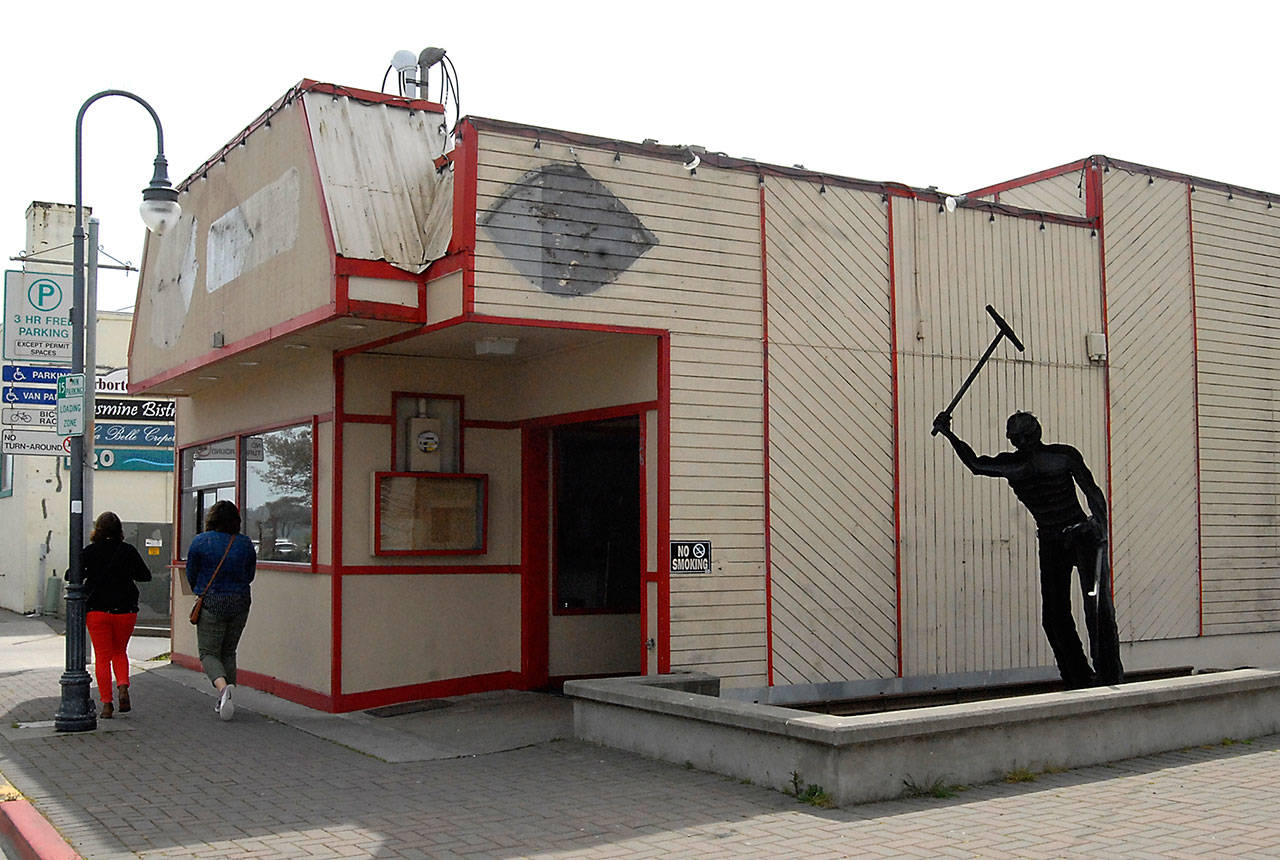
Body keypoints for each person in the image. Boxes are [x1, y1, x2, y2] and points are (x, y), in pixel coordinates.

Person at [932, 411, 1124, 688]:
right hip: (1073, 538)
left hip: (1073, 538)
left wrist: (949, 432)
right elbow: (1093, 494)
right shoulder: (1061, 456)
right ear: (1038, 432)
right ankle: (1086, 678)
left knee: (1073, 613)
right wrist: (1101, 530)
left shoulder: (1016, 464)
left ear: (1013, 439)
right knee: (1080, 612)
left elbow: (975, 463)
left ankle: (1094, 678)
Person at [186, 500, 256, 720]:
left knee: (208, 653)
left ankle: (223, 688)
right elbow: (249, 575)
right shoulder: (245, 543)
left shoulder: (200, 542)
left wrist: (201, 588)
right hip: (240, 602)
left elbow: (191, 574)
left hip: (212, 602)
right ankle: (227, 697)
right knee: (228, 651)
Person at [80, 511, 152, 719]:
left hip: (97, 611)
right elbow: (144, 575)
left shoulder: (90, 551)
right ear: (119, 530)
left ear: (98, 530)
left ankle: (106, 704)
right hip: (125, 610)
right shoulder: (127, 551)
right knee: (120, 652)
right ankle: (122, 685)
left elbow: (71, 574)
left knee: (102, 657)